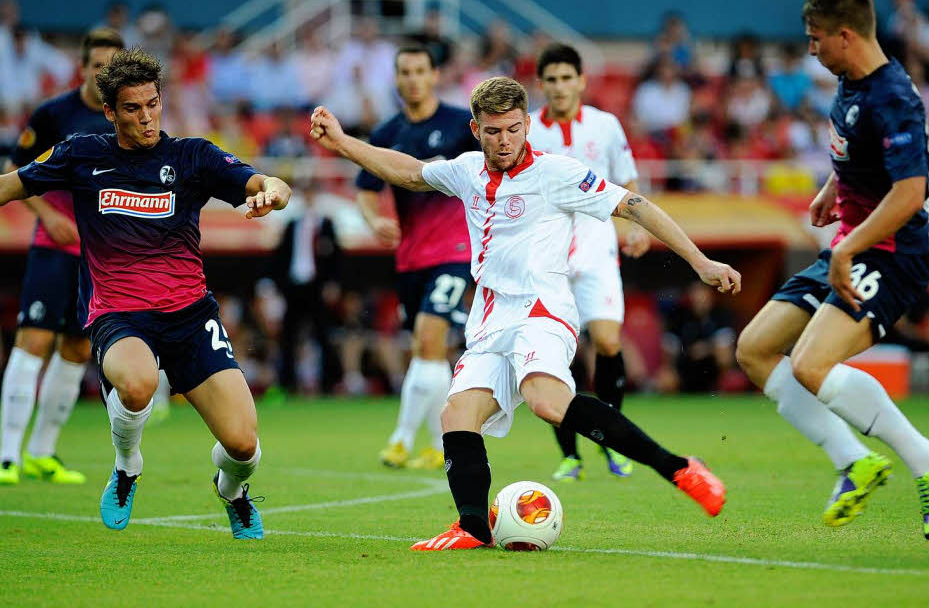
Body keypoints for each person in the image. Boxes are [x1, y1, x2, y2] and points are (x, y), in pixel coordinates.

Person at [310, 75, 741, 551]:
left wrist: (700, 261)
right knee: (457, 413)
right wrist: (345, 143)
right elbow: (409, 172)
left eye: (514, 129)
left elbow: (635, 205)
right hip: (491, 320)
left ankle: (680, 468)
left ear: (526, 124)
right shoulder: (467, 170)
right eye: (494, 131)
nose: (505, 140)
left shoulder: (557, 173)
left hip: (543, 310)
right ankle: (472, 526)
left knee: (547, 403)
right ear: (476, 129)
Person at [0, 48, 291, 540]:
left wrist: (271, 193)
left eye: (153, 103)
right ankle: (127, 466)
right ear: (110, 112)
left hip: (191, 316)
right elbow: (6, 187)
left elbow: (269, 182)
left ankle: (231, 492)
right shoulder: (82, 153)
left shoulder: (193, 156)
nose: (146, 117)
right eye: (132, 108)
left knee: (244, 445)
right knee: (137, 382)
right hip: (120, 314)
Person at [734, 0, 929, 540]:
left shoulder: (893, 97)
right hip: (852, 244)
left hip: (890, 254)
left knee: (810, 366)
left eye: (815, 38)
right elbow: (861, 156)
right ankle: (853, 460)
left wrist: (850, 245)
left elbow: (910, 193)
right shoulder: (850, 82)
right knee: (756, 350)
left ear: (845, 35)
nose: (810, 50)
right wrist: (833, 191)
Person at [0, 29, 125, 487]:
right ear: (83, 67)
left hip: (99, 256)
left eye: (112, 66)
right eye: (96, 66)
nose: (103, 74)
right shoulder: (54, 113)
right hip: (52, 245)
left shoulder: (126, 116)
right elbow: (14, 172)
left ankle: (42, 452)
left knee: (76, 348)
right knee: (33, 342)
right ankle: (7, 457)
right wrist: (47, 215)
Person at [526, 42, 650, 481]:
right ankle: (570, 455)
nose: (560, 87)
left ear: (581, 80)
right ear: (541, 84)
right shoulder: (526, 130)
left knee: (608, 343)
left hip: (597, 246)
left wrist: (637, 226)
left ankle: (613, 445)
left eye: (567, 78)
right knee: (559, 351)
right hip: (547, 253)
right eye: (552, 79)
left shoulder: (605, 125)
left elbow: (628, 178)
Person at [355, 45, 478, 470]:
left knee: (428, 340)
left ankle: (400, 440)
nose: (412, 79)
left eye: (419, 71)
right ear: (396, 77)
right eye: (404, 71)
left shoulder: (462, 124)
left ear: (434, 75)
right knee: (428, 349)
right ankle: (437, 444)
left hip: (455, 251)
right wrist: (373, 221)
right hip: (411, 257)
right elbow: (366, 187)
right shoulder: (388, 133)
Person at [270, 179, 341, 397]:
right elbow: (279, 257)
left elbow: (337, 257)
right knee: (288, 337)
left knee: (323, 335)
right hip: (294, 286)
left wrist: (332, 283)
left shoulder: (326, 224)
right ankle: (287, 384)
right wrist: (279, 286)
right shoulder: (292, 224)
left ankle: (330, 383)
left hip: (316, 287)